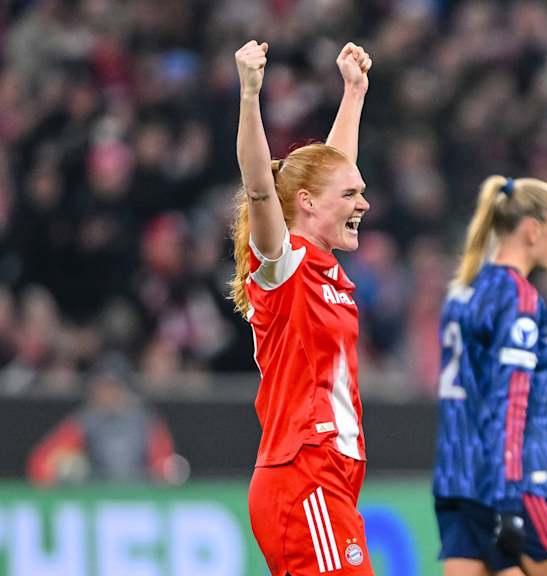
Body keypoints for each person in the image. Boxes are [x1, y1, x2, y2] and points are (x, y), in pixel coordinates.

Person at [231, 40, 375, 575]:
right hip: (303, 472)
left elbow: (332, 172)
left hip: (330, 475)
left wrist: (354, 93)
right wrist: (250, 95)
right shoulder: (283, 263)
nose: (363, 203)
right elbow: (260, 189)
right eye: (351, 195)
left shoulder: (323, 266)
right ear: (307, 203)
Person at [432, 177, 547, 576]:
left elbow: (479, 408)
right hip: (514, 484)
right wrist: (510, 501)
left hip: (458, 482)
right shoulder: (518, 297)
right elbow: (510, 408)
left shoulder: (463, 291)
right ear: (532, 230)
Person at [27, 355, 182, 485]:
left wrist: (160, 477)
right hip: (95, 497)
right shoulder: (85, 421)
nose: (106, 393)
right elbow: (41, 463)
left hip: (139, 499)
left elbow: (165, 466)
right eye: (102, 387)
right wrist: (64, 471)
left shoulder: (145, 421)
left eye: (112, 387)